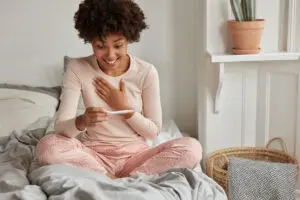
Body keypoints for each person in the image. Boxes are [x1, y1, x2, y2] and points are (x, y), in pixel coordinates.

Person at [36, 0, 202, 178]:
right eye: (100, 46)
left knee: (192, 148)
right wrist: (82, 120)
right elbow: (61, 128)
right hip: (93, 155)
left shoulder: (146, 72)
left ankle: (129, 177)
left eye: (118, 45)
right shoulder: (77, 68)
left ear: (129, 38)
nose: (110, 55)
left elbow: (153, 131)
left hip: (137, 157)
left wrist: (124, 108)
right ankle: (109, 176)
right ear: (90, 40)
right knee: (47, 146)